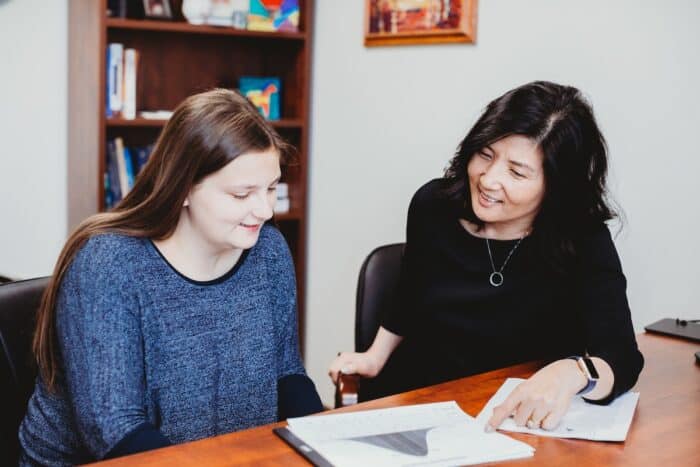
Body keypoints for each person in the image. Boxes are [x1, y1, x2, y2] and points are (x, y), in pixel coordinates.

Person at [19, 89, 322, 466]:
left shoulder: (268, 251)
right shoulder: (108, 264)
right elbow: (113, 430)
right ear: (183, 189)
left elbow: (287, 375)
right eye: (242, 194)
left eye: (271, 188)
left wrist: (325, 445)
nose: (263, 210)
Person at [329, 81, 643, 432]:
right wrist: (374, 357)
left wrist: (575, 372)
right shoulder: (433, 205)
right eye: (485, 155)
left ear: (556, 185)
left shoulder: (582, 238)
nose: (488, 180)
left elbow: (622, 357)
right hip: (424, 406)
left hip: (516, 421)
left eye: (517, 172)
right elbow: (409, 298)